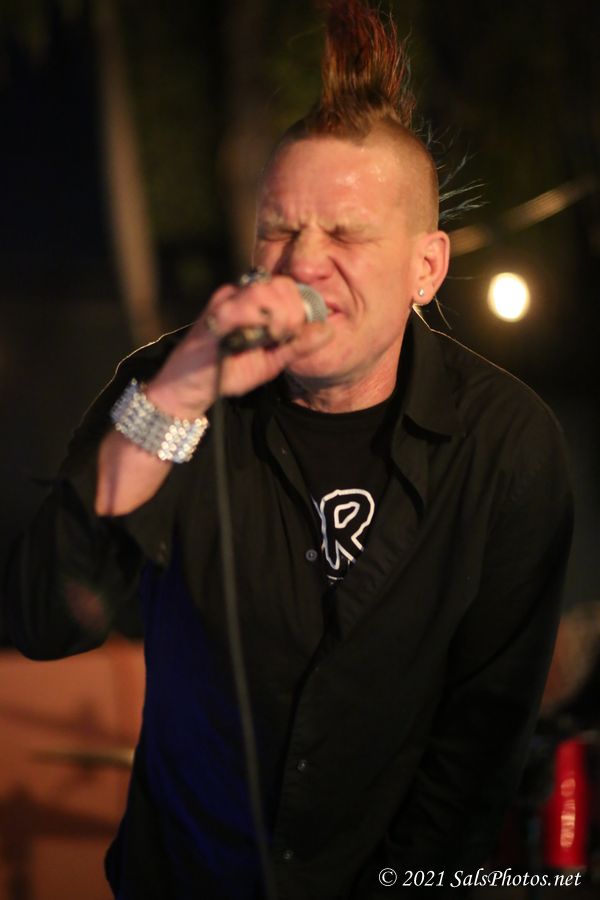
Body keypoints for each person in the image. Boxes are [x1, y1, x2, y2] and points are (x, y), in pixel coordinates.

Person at [4, 1, 573, 897]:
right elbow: (42, 620)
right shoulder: (171, 383)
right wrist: (176, 398)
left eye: (346, 234)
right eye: (279, 228)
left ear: (426, 268)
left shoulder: (506, 444)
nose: (303, 261)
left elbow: (478, 750)